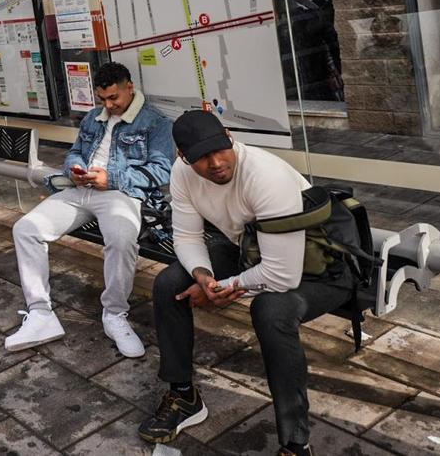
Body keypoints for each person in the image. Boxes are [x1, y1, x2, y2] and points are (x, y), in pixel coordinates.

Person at [138, 111, 349, 456]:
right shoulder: (183, 173)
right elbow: (188, 236)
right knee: (169, 283)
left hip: (323, 264)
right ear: (182, 156)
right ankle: (184, 396)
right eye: (201, 157)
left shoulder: (264, 175)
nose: (216, 162)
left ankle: (297, 444)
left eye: (221, 148)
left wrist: (227, 289)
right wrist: (204, 277)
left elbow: (283, 275)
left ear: (230, 136)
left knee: (271, 311)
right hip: (252, 251)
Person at [6, 62, 172, 357]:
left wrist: (113, 178)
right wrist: (74, 169)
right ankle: (41, 313)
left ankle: (115, 315)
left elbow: (162, 171)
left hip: (120, 194)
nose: (109, 106)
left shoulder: (156, 123)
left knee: (121, 240)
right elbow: (74, 152)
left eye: (114, 99)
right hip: (80, 189)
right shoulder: (94, 118)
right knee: (26, 229)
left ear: (129, 88)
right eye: (103, 100)